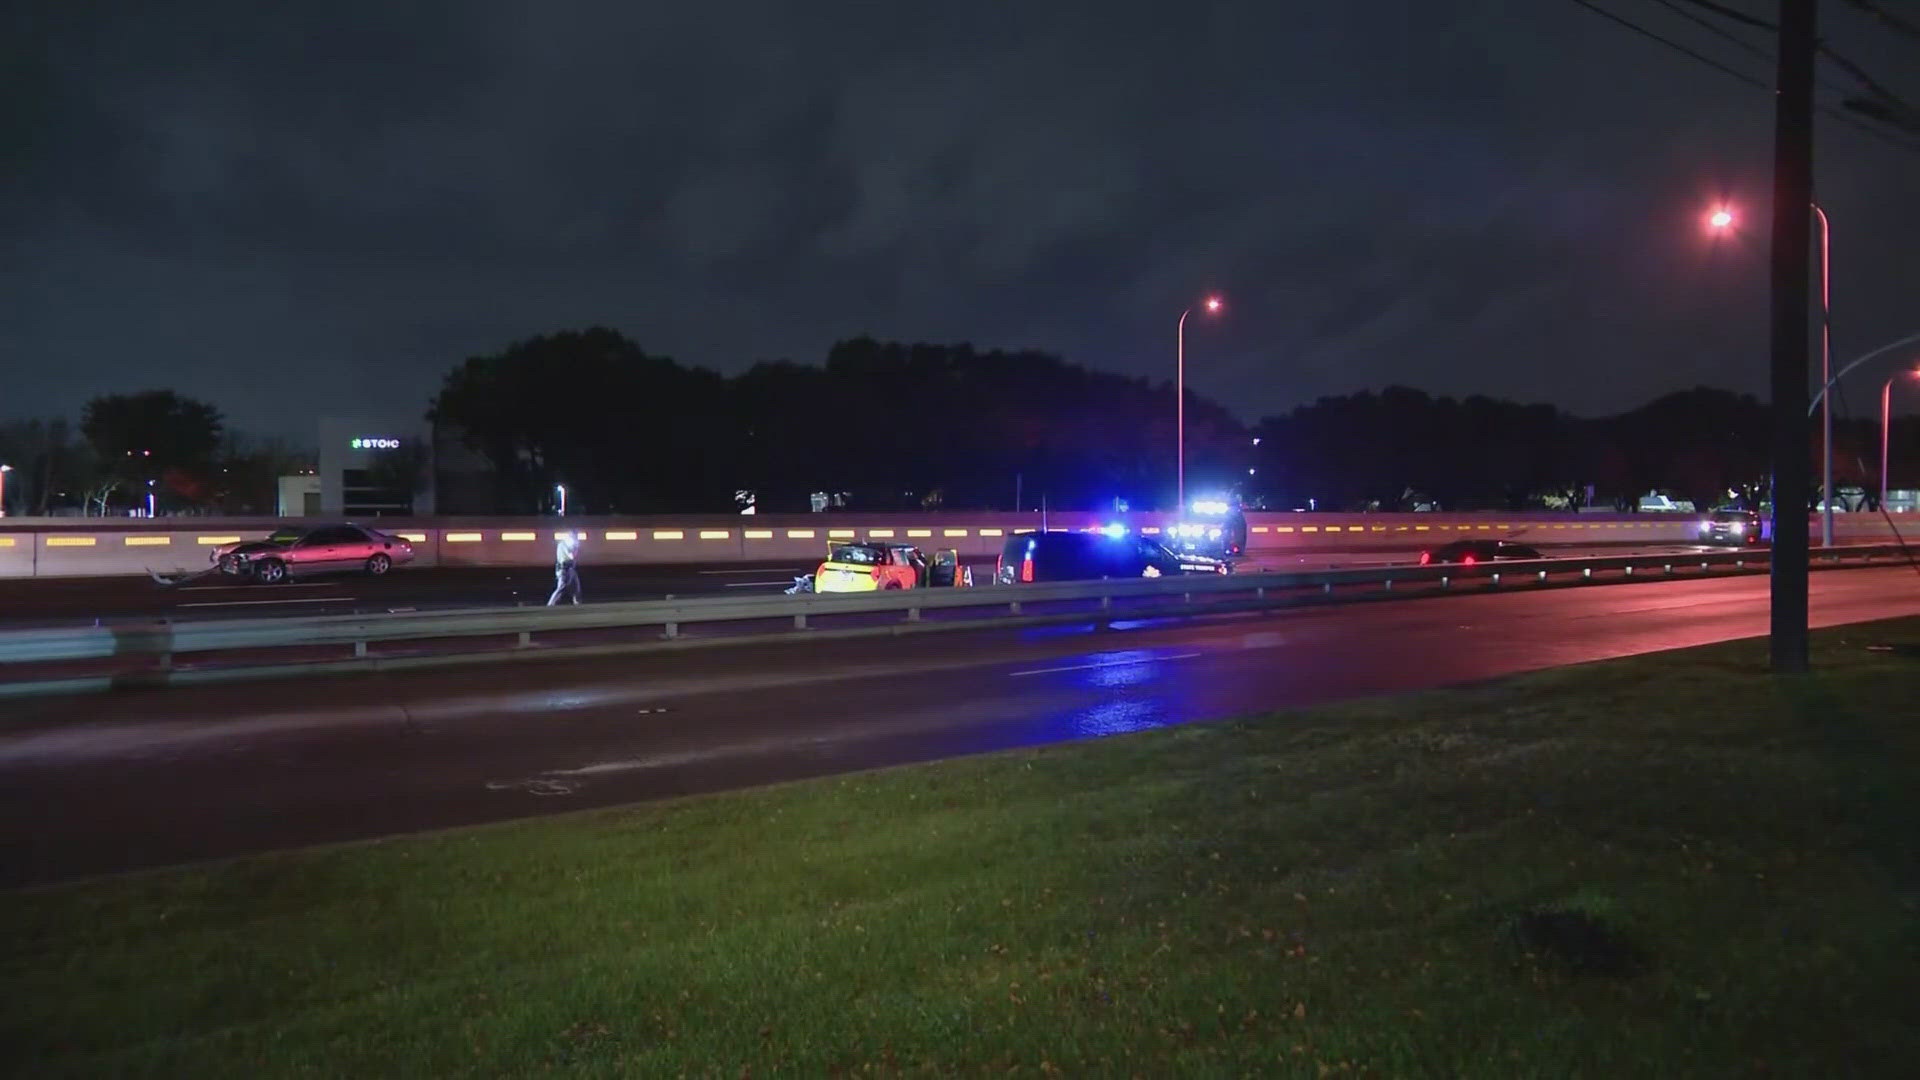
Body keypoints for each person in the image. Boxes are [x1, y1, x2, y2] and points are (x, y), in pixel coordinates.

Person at [547, 529, 583, 606]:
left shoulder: (564, 543)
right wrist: (576, 547)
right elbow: (572, 556)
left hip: (570, 569)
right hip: (564, 569)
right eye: (575, 536)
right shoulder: (566, 544)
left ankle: (578, 604)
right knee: (561, 587)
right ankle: (550, 605)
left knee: (576, 588)